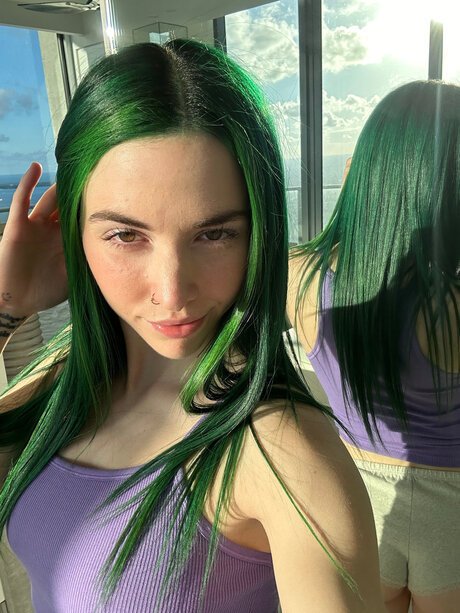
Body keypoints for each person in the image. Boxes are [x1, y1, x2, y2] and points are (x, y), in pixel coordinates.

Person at [0, 40, 385, 612]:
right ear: (74, 232)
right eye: (125, 235)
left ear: (258, 234)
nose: (173, 291)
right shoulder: (65, 380)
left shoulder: (282, 453)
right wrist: (7, 302)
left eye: (215, 233)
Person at [288, 80, 460, 613]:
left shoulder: (298, 276)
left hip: (352, 501)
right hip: (452, 518)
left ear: (359, 172)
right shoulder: (450, 306)